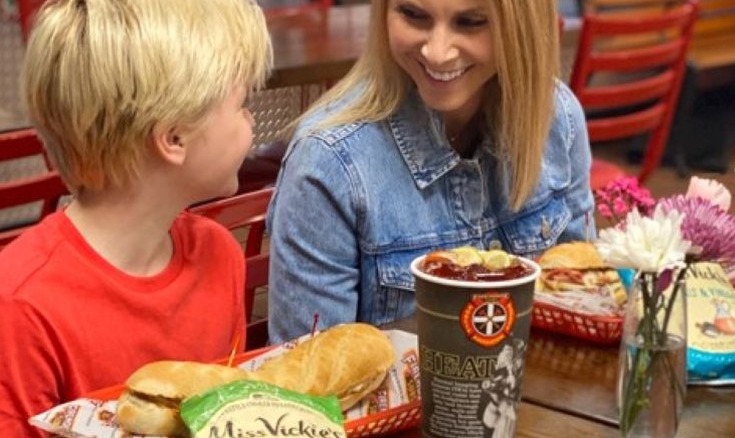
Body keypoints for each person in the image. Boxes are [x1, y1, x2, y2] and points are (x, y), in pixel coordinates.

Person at [0, 0, 272, 435]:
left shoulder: (219, 254)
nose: (250, 120)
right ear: (174, 138)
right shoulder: (20, 306)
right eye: (241, 104)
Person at [267, 0, 593, 343]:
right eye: (413, 15)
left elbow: (586, 299)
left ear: (522, 25)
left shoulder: (559, 117)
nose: (437, 53)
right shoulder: (328, 163)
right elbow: (312, 385)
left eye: (470, 22)